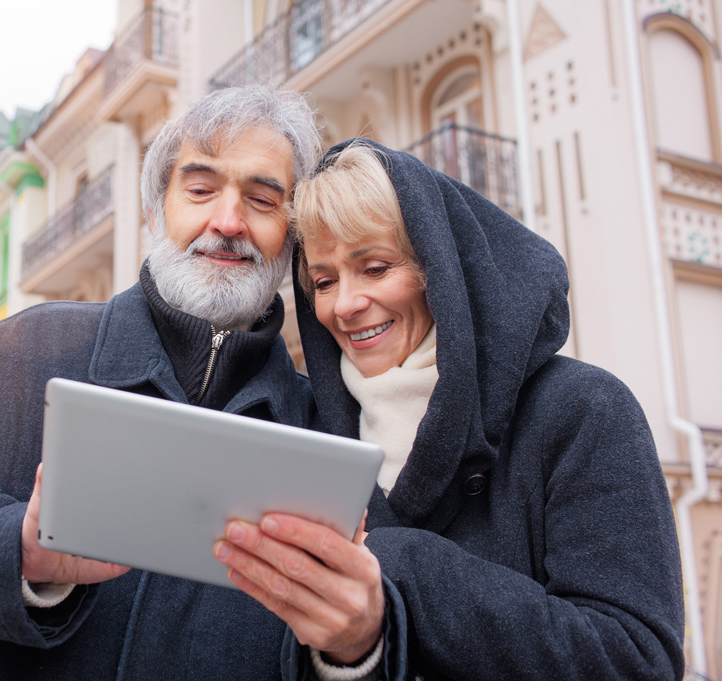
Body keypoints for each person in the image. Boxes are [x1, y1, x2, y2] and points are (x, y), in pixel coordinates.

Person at [0, 88, 403, 681]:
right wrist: (20, 552)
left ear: (291, 240)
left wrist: (354, 650)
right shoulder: (21, 352)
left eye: (262, 199)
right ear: (156, 211)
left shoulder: (326, 427)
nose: (228, 222)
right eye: (200, 190)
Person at [228, 138, 684, 679]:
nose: (344, 305)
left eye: (375, 267)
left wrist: (397, 565)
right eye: (323, 282)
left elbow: (634, 660)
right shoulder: (310, 435)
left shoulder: (583, 412)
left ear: (440, 271)